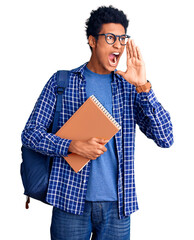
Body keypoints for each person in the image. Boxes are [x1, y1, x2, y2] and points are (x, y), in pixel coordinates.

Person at [21, 5, 174, 240]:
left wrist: (143, 85)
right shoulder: (62, 81)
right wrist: (71, 145)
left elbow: (165, 138)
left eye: (122, 39)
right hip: (70, 201)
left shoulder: (130, 88)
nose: (118, 45)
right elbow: (30, 134)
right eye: (111, 38)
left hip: (118, 207)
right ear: (92, 40)